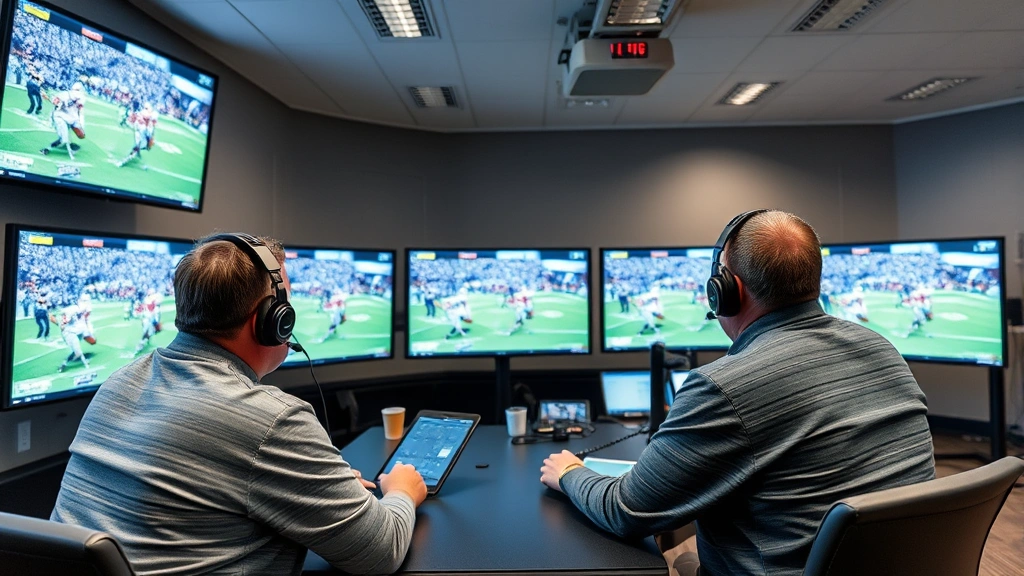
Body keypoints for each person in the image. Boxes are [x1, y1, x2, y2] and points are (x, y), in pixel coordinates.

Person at [540, 211, 935, 576]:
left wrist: (571, 472)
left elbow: (627, 510)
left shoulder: (722, 386)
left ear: (726, 290)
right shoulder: (883, 349)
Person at [52, 233, 427, 575]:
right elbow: (380, 551)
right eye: (287, 304)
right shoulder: (272, 420)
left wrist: (327, 491)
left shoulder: (120, 380)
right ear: (271, 320)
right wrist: (402, 491)